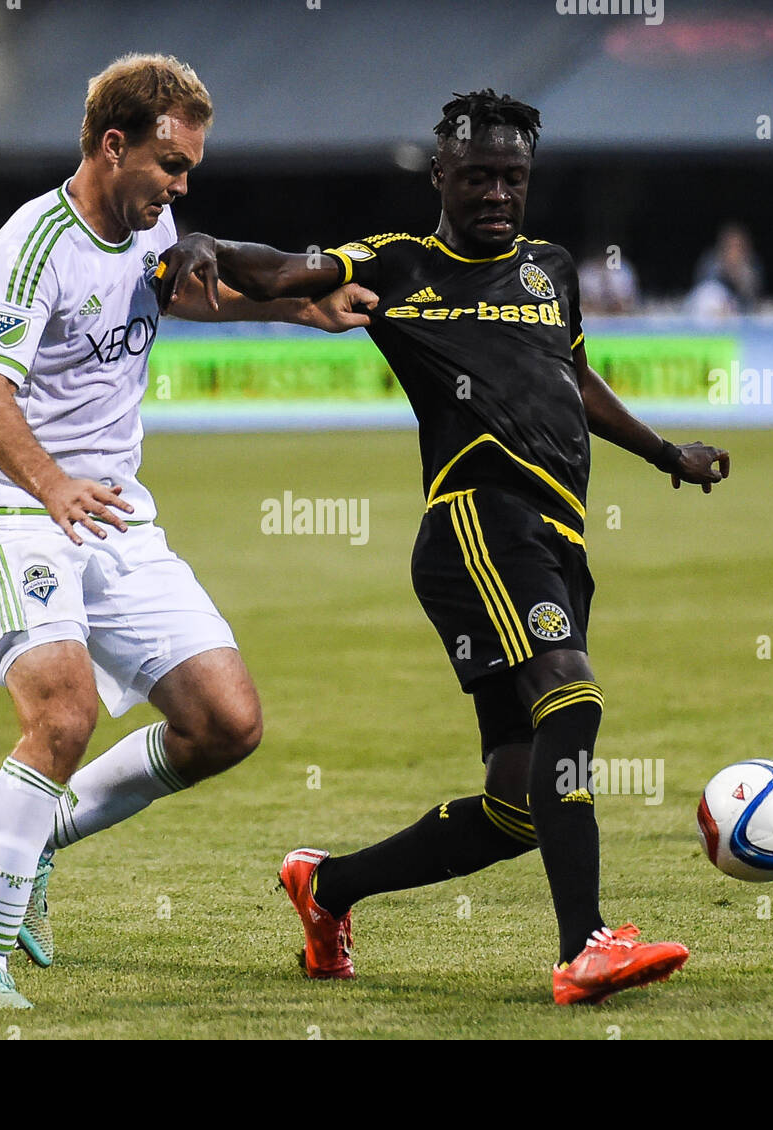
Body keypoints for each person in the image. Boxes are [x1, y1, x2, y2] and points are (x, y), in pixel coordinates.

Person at [157, 89, 731, 1005]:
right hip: (479, 517)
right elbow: (283, 272)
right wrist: (208, 248)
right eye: (478, 177)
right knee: (570, 699)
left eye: (513, 176)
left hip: (557, 534)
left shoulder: (551, 268)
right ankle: (585, 944)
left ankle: (327, 887)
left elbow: (571, 374)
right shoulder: (400, 264)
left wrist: (667, 453)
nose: (499, 192)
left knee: (516, 804)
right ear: (440, 176)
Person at [0, 53, 372, 1010]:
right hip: (17, 507)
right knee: (60, 717)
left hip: (114, 513)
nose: (182, 188)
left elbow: (175, 293)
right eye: (171, 167)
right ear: (113, 144)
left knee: (226, 722)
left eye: (190, 173)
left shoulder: (151, 226)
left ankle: (31, 831)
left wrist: (307, 308)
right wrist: (50, 485)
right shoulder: (32, 243)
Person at [689, 222, 762, 316]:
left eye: (738, 246)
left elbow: (753, 297)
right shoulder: (711, 263)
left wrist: (736, 275)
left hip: (740, 315)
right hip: (710, 315)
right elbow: (702, 292)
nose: (734, 250)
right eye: (731, 245)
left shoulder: (751, 265)